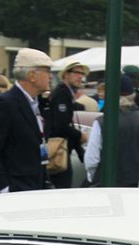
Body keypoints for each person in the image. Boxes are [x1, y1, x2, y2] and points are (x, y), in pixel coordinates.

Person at [0, 48, 53, 194]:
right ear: (32, 75)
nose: (50, 77)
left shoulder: (36, 103)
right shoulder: (5, 103)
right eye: (47, 72)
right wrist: (3, 188)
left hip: (35, 186)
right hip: (15, 189)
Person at [84, 75, 139, 187]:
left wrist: (96, 178)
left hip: (109, 186)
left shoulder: (102, 122)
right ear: (133, 96)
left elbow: (92, 161)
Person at [46, 60, 87, 189]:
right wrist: (80, 135)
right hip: (58, 151)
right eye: (76, 72)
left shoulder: (66, 94)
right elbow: (61, 126)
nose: (80, 76)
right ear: (66, 75)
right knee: (62, 189)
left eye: (82, 73)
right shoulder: (62, 94)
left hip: (62, 150)